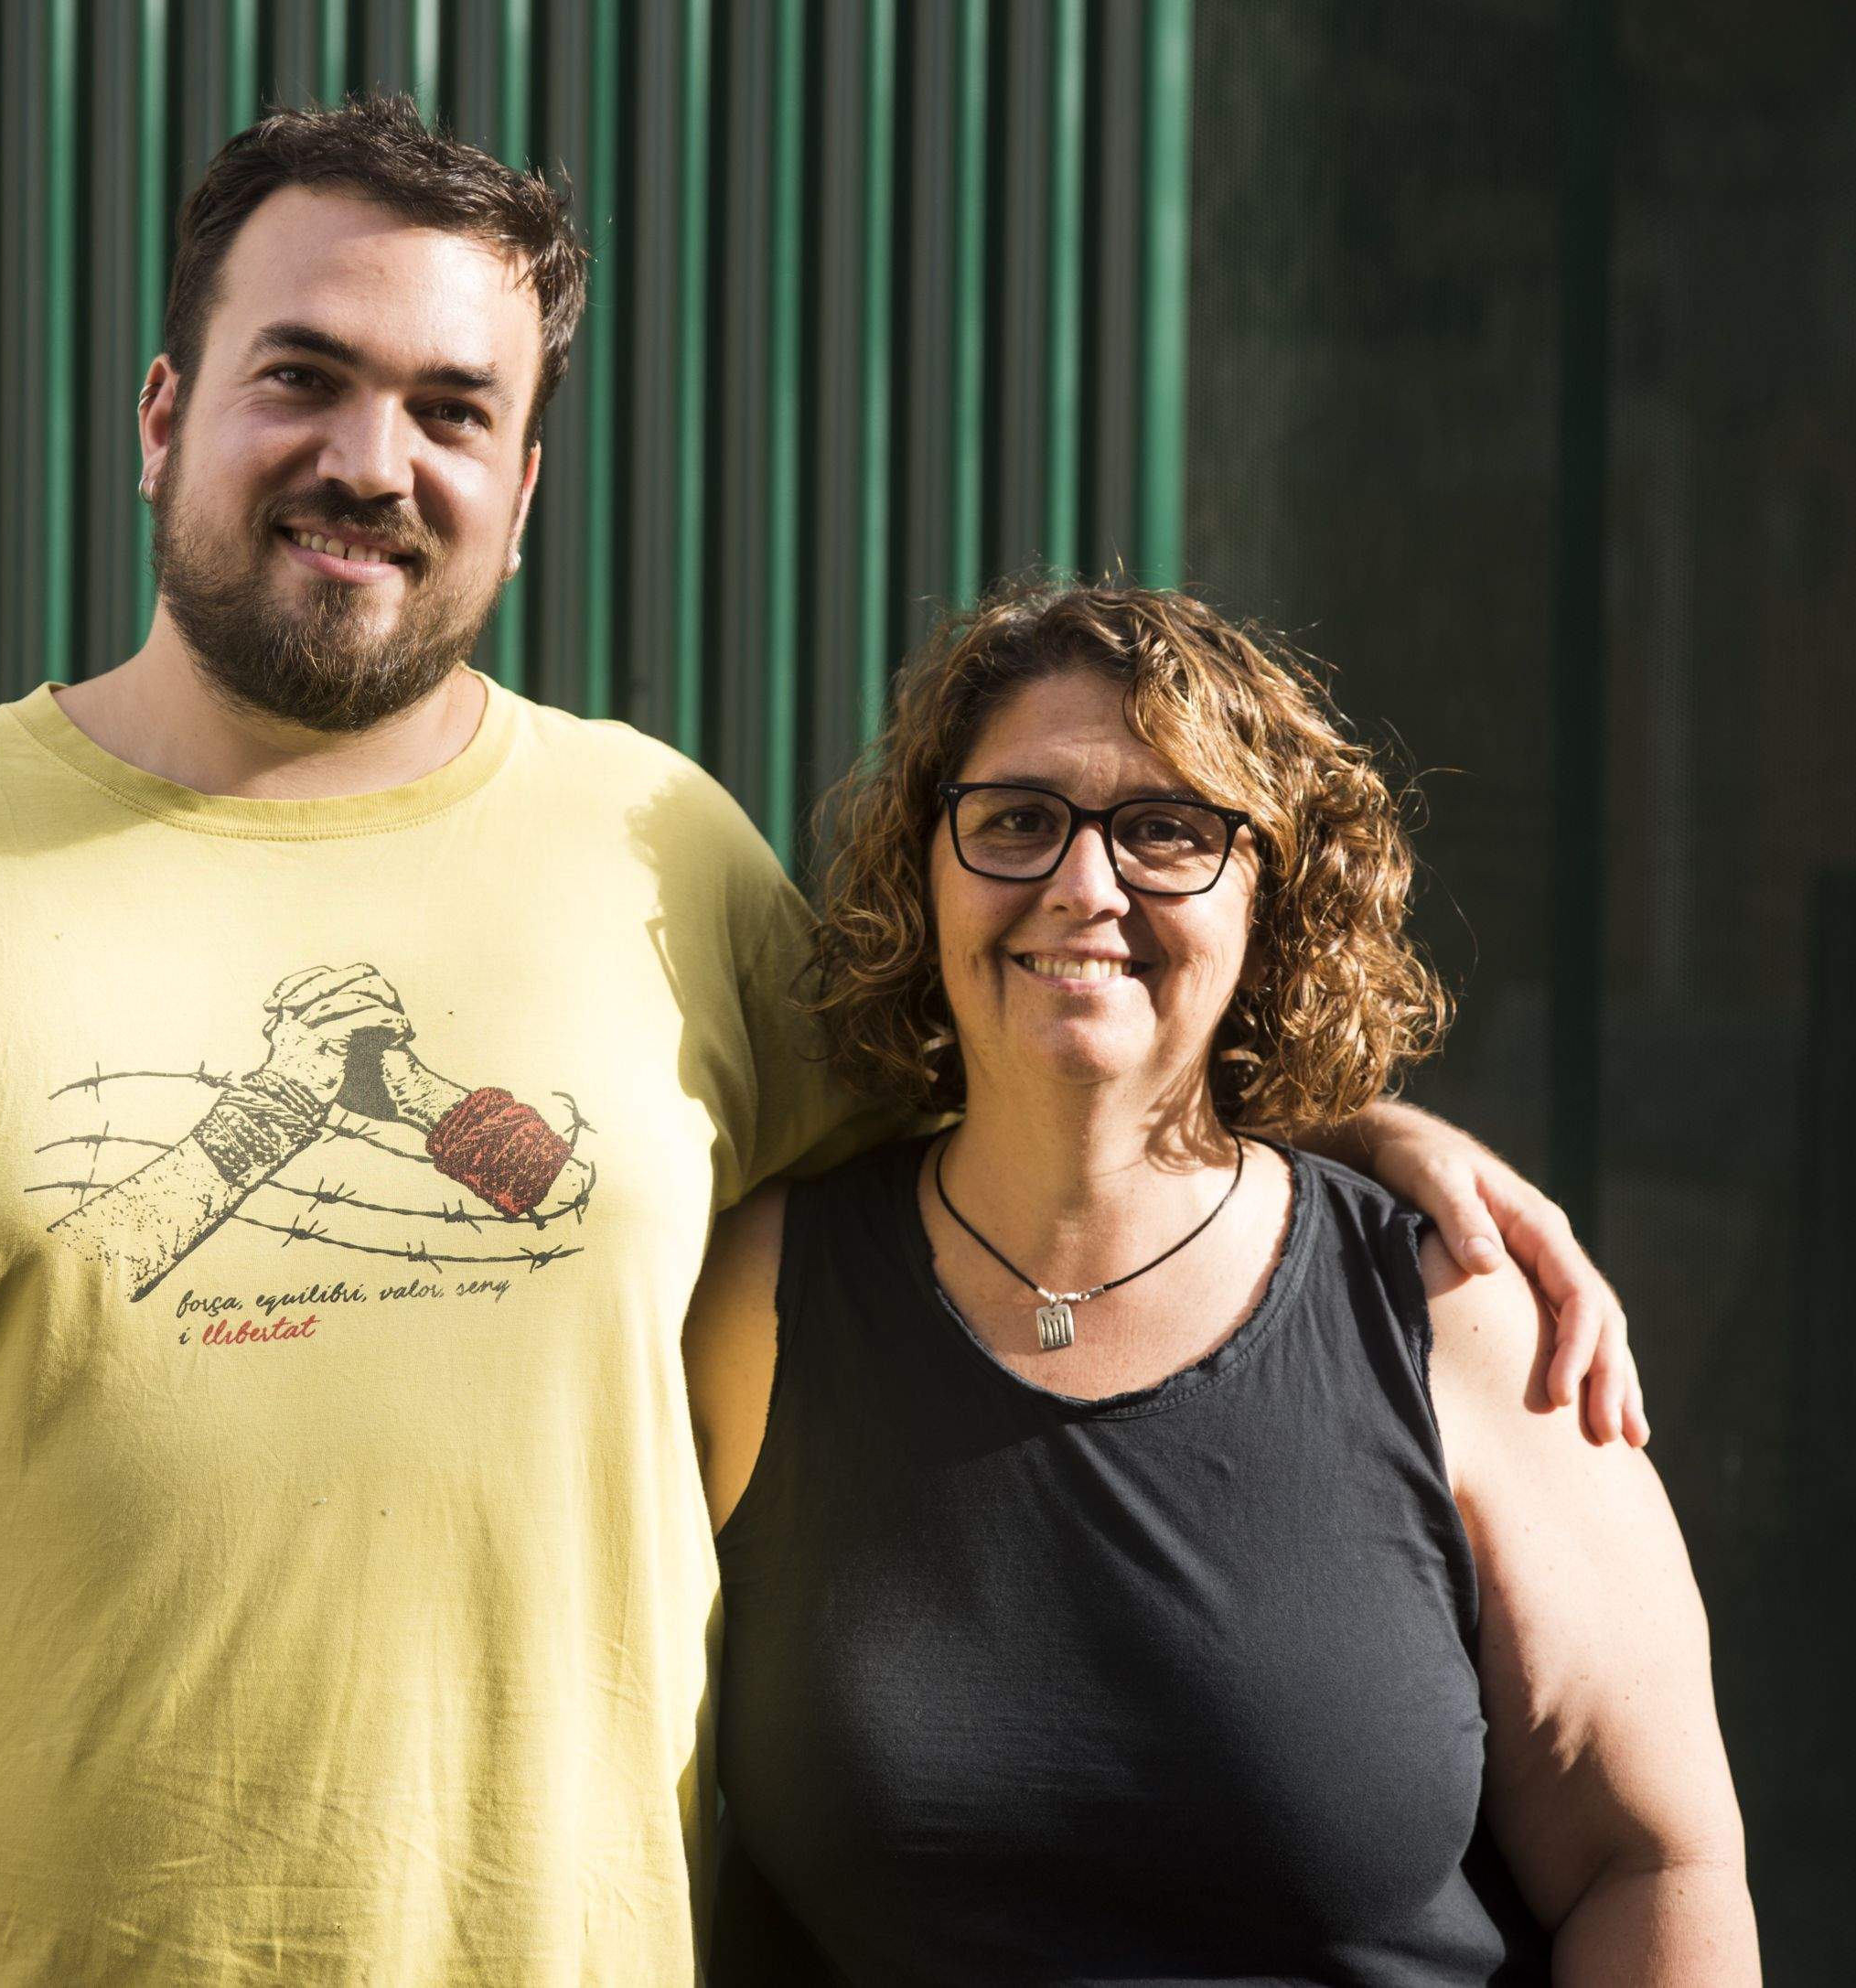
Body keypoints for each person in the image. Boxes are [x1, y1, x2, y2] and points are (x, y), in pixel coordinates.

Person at [0, 97, 1640, 1987]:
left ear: (519, 472)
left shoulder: (648, 846)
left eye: (448, 409)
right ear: (159, 415)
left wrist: (1336, 1111)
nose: (366, 460)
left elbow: (1018, 1075)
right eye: (299, 375)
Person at [689, 580, 1754, 1985]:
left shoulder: (1457, 1316)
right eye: (1017, 819)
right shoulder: (765, 1301)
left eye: (1168, 831)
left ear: (1276, 894)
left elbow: (1651, 1859)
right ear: (922, 868)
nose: (1084, 885)